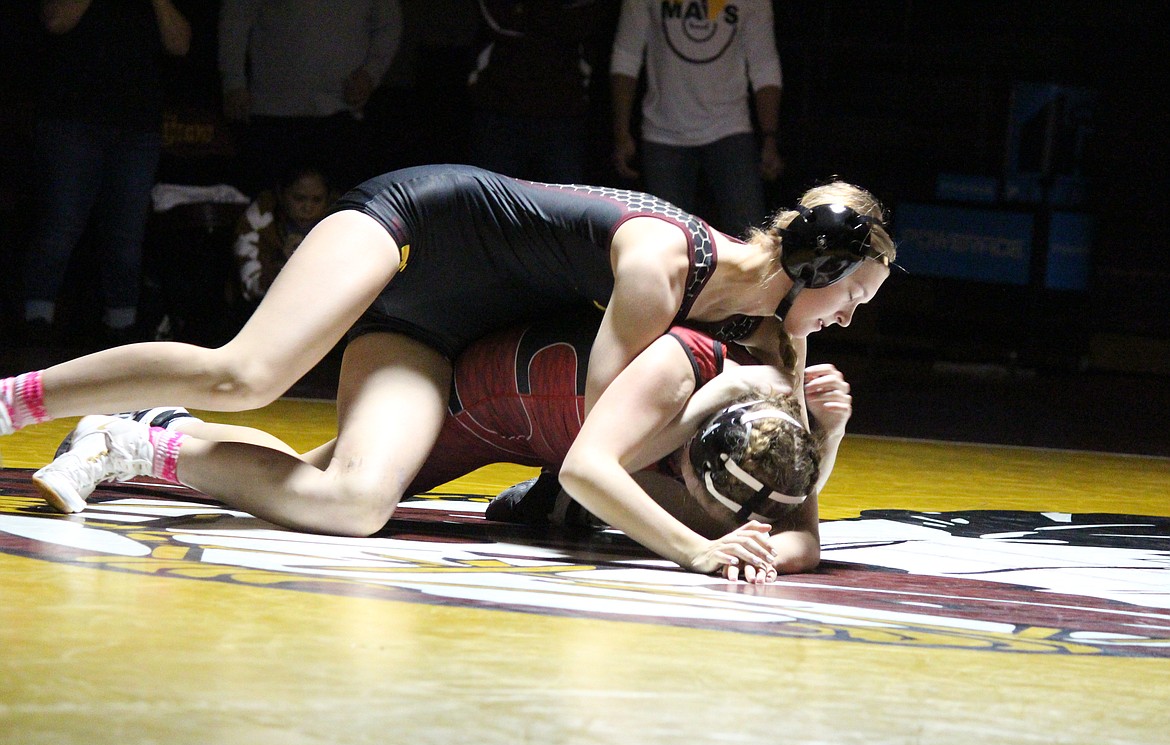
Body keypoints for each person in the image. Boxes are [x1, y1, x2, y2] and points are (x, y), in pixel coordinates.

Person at [0, 164, 893, 570]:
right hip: (415, 231)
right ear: (813, 269)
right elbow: (594, 446)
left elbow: (790, 490)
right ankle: (15, 399)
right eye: (854, 291)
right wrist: (729, 393)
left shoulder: (779, 329)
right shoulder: (660, 267)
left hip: (451, 330)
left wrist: (828, 425)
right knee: (248, 373)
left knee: (352, 503)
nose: (853, 313)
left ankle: (134, 443)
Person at [38, 307, 842, 581]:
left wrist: (825, 433)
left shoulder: (751, 424)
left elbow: (793, 533)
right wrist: (700, 551)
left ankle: (158, 431)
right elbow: (593, 465)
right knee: (335, 496)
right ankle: (126, 440)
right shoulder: (687, 374)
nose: (714, 519)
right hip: (445, 364)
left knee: (310, 475)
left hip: (497, 416)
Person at [21, 0, 191, 346]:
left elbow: (180, 43)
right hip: (71, 118)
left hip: (138, 124)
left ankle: (122, 325)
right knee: (59, 226)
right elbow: (54, 20)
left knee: (127, 233)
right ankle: (35, 320)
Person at [610, 0, 782, 237]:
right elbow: (626, 56)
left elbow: (764, 66)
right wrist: (621, 132)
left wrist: (770, 137)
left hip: (731, 129)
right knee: (666, 243)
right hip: (663, 133)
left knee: (751, 241)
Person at [217, 0, 403, 193]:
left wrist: (370, 73)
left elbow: (388, 24)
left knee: (338, 207)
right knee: (266, 207)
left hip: (341, 111)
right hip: (272, 110)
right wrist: (233, 82)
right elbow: (235, 19)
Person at [466, 0, 609, 184]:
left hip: (564, 112)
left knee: (564, 204)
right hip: (498, 108)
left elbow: (582, 22)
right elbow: (498, 20)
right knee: (492, 201)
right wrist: (555, 14)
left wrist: (527, 12)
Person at [232, 165, 334, 306]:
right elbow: (251, 289)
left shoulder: (339, 218)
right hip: (267, 310)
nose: (308, 208)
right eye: (299, 198)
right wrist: (282, 263)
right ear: (281, 194)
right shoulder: (259, 218)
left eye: (317, 200)